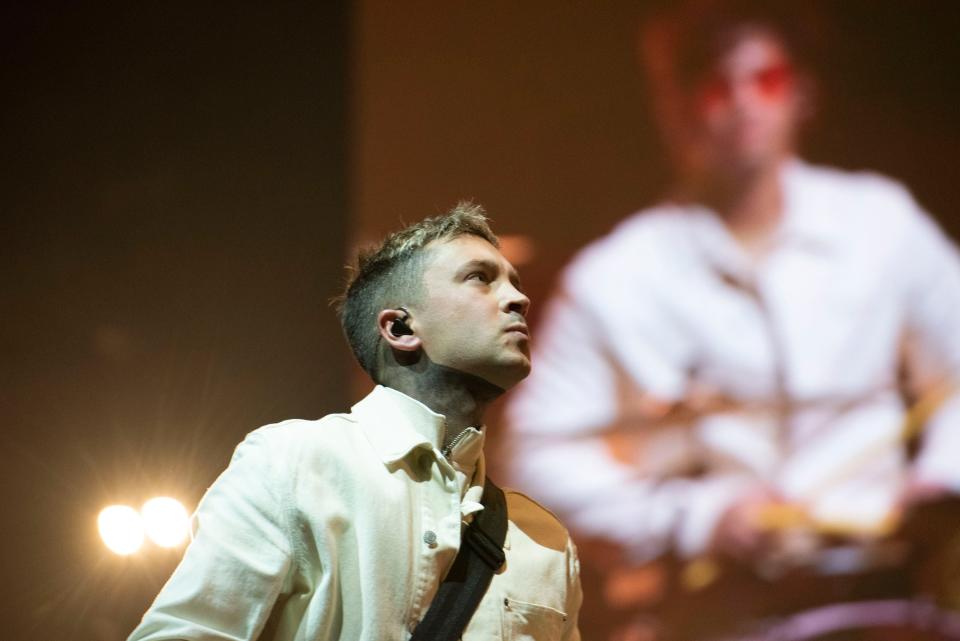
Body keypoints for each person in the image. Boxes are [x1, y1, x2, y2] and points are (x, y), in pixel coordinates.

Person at [503, 1, 960, 638]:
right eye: (718, 86)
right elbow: (530, 461)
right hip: (715, 612)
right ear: (674, 107)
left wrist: (942, 474)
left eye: (765, 80)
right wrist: (695, 517)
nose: (744, 103)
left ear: (801, 93)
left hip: (891, 593)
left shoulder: (882, 224)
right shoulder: (618, 278)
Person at [128, 203, 582, 641]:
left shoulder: (545, 539)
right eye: (481, 278)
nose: (519, 298)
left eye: (515, 282)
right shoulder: (294, 465)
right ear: (400, 329)